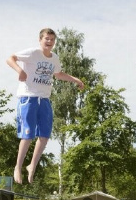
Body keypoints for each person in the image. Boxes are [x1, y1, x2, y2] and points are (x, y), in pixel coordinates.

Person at [6, 28, 84, 184]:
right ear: (40, 40)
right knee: (28, 135)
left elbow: (58, 74)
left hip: (45, 99)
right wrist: (20, 70)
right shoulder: (33, 53)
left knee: (45, 135)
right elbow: (10, 58)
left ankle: (32, 166)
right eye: (46, 39)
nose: (49, 42)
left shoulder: (54, 58)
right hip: (29, 97)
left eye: (52, 40)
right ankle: (18, 167)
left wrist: (75, 79)